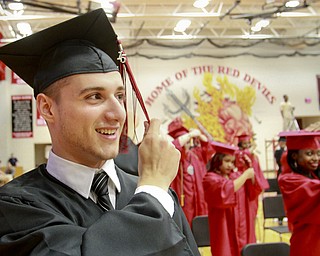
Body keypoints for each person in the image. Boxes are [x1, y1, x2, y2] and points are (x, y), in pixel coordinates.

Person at [0, 9, 200, 256]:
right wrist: (154, 194)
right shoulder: (17, 205)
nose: (118, 113)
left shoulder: (152, 190)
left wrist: (154, 190)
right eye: (94, 97)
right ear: (47, 108)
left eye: (119, 96)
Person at [203, 141, 262, 256]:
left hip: (242, 228)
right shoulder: (210, 179)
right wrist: (245, 175)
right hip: (223, 227)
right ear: (217, 160)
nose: (230, 165)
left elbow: (255, 189)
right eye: (227, 161)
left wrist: (249, 168)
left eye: (232, 162)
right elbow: (225, 190)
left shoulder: (234, 176)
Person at [278, 131, 320, 256]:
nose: (316, 158)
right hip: (308, 243)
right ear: (294, 156)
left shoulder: (314, 175)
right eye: (309, 153)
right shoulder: (288, 180)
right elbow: (315, 191)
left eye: (318, 153)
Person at [167, 117, 215, 226]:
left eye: (188, 141)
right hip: (184, 200)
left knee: (202, 227)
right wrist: (189, 135)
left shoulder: (197, 154)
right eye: (185, 141)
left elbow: (210, 148)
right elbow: (174, 146)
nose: (187, 144)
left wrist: (200, 135)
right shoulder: (176, 156)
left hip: (200, 198)